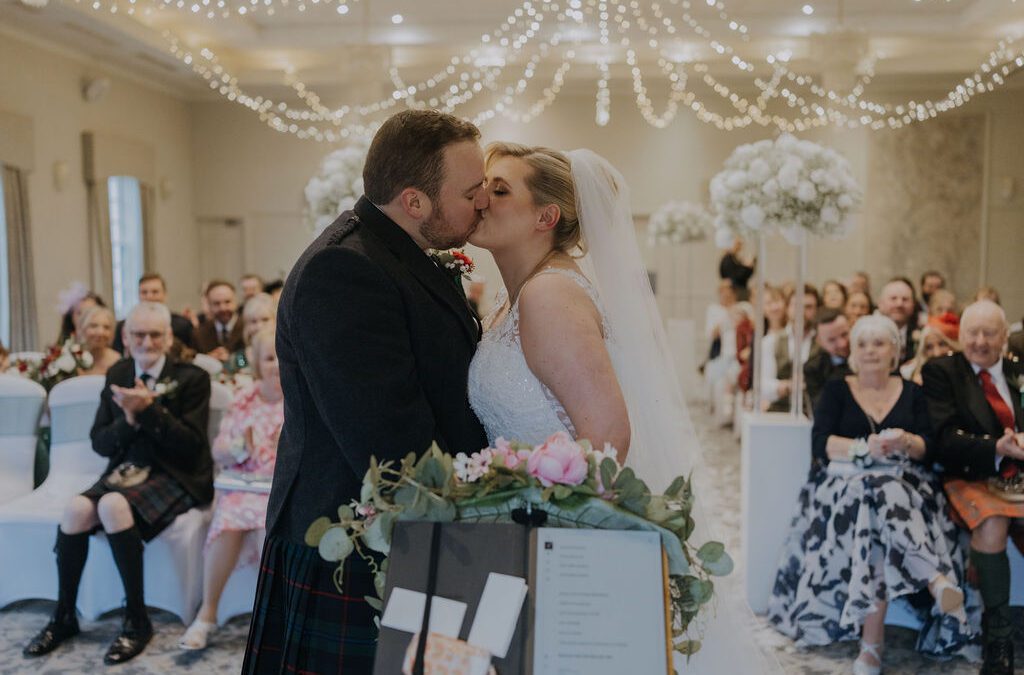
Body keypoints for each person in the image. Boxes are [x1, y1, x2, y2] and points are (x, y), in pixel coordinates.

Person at [467, 144, 776, 673]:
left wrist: (531, 520)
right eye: (482, 187)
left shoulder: (549, 295)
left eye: (500, 190)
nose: (481, 200)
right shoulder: (513, 298)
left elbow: (606, 438)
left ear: (547, 216)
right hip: (517, 527)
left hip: (556, 537)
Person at [242, 110, 490, 674]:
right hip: (350, 536)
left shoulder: (395, 252)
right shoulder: (344, 271)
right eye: (471, 190)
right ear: (414, 201)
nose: (482, 201)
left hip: (398, 525)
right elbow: (388, 439)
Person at [769, 315, 977, 673]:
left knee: (879, 505)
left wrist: (906, 442)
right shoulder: (836, 389)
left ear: (894, 351)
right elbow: (820, 444)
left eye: (879, 343)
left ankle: (871, 647)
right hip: (844, 488)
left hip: (907, 488)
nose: (870, 351)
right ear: (852, 352)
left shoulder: (913, 392)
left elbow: (929, 447)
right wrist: (864, 449)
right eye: (862, 344)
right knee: (873, 502)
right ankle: (935, 579)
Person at [22, 302, 212, 664]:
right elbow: (100, 441)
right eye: (139, 334)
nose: (147, 341)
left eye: (155, 334)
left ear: (169, 337)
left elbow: (191, 448)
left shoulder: (192, 378)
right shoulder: (118, 372)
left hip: (177, 475)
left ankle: (137, 621)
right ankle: (64, 616)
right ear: (126, 338)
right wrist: (129, 417)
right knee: (77, 509)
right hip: (127, 471)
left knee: (112, 505)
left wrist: (150, 412)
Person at [922, 301, 1024, 675]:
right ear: (961, 335)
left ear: (1004, 336)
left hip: (1021, 475)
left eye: (989, 333)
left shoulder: (1019, 370)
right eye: (972, 333)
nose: (980, 342)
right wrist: (997, 448)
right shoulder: (942, 372)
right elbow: (943, 438)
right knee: (993, 522)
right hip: (970, 474)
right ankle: (998, 640)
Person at [179, 328, 282, 650]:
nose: (277, 364)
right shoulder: (244, 398)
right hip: (243, 483)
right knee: (227, 523)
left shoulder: (301, 396)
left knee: (272, 528)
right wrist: (241, 445)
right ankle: (207, 615)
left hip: (279, 487)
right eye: (269, 358)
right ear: (257, 363)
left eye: (282, 356)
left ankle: (277, 619)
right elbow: (219, 450)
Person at [760, 285, 819, 413]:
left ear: (816, 310)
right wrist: (789, 386)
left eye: (808, 307)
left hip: (814, 413)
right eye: (796, 306)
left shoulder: (822, 342)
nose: (802, 312)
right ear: (787, 308)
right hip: (779, 411)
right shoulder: (771, 341)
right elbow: (763, 385)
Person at [113, 274, 195, 353]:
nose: (149, 297)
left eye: (155, 292)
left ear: (165, 294)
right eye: (144, 292)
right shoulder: (125, 326)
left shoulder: (183, 325)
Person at [803, 307, 851, 412]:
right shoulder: (813, 369)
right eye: (832, 340)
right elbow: (822, 408)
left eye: (844, 334)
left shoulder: (870, 358)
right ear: (819, 341)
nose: (842, 344)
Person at [225, 292, 276, 375]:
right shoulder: (238, 358)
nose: (259, 326)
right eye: (253, 321)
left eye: (265, 319)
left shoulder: (285, 353)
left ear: (275, 320)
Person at [194, 280, 244, 360]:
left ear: (236, 301)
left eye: (227, 302)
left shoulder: (248, 329)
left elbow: (251, 361)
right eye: (217, 303)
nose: (222, 308)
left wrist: (233, 359)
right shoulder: (199, 334)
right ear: (209, 305)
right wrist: (208, 360)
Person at [877, 278, 918, 365]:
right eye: (893, 298)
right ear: (880, 304)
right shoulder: (868, 334)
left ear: (913, 305)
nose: (899, 304)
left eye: (905, 299)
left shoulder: (921, 337)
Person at [78, 306, 122, 376]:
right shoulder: (72, 359)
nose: (100, 332)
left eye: (106, 327)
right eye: (94, 326)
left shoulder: (118, 362)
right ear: (83, 328)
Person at [719, 236, 756, 301]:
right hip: (736, 291)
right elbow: (735, 277)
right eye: (738, 244)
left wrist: (749, 267)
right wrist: (746, 267)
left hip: (740, 289)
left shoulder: (735, 258)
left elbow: (745, 276)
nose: (740, 247)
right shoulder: (727, 260)